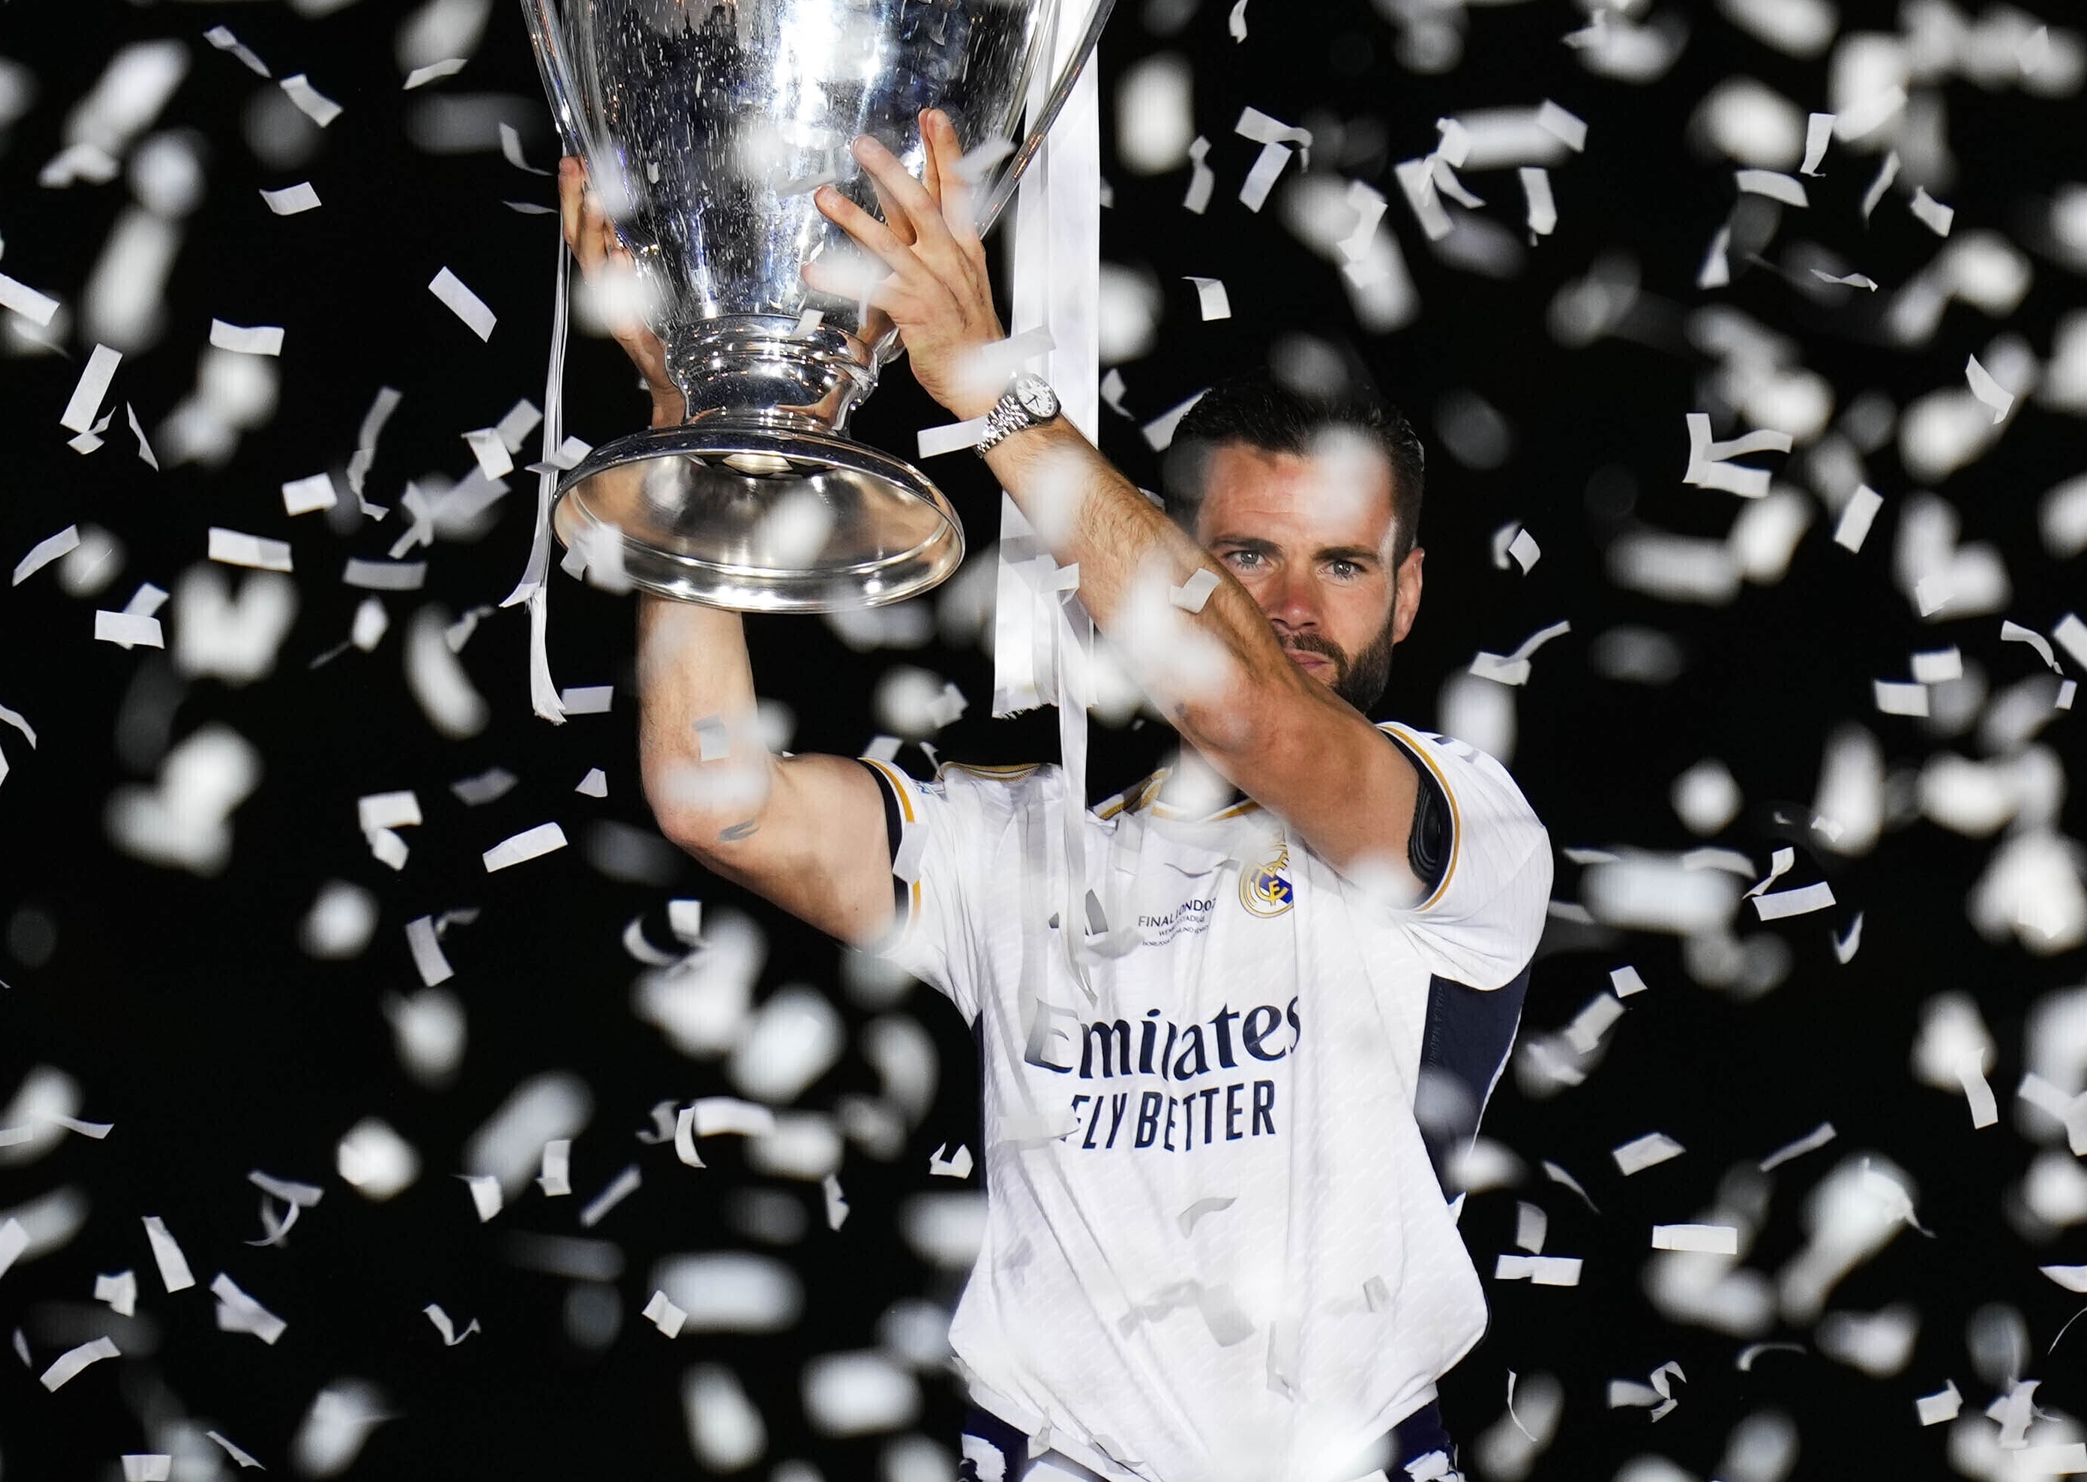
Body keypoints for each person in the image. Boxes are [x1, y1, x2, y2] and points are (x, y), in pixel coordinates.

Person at [561, 114, 1549, 1482]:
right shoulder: (1016, 839)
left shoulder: (1468, 832)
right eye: (1247, 554)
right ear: (1148, 543)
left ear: (1412, 591)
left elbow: (1250, 709)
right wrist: (691, 432)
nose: (1292, 605)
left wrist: (993, 394)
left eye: (1344, 565)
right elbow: (709, 797)